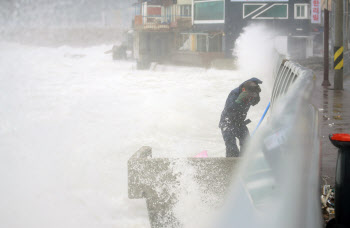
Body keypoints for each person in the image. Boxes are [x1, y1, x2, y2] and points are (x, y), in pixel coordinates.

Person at [219, 78, 263, 157]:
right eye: (249, 95)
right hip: (227, 123)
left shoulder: (253, 93)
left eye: (252, 95)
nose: (250, 97)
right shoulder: (234, 94)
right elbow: (229, 108)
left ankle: (243, 164)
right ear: (243, 90)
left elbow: (255, 102)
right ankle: (231, 165)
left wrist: (256, 93)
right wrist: (238, 101)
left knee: (247, 145)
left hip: (240, 123)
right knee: (232, 149)